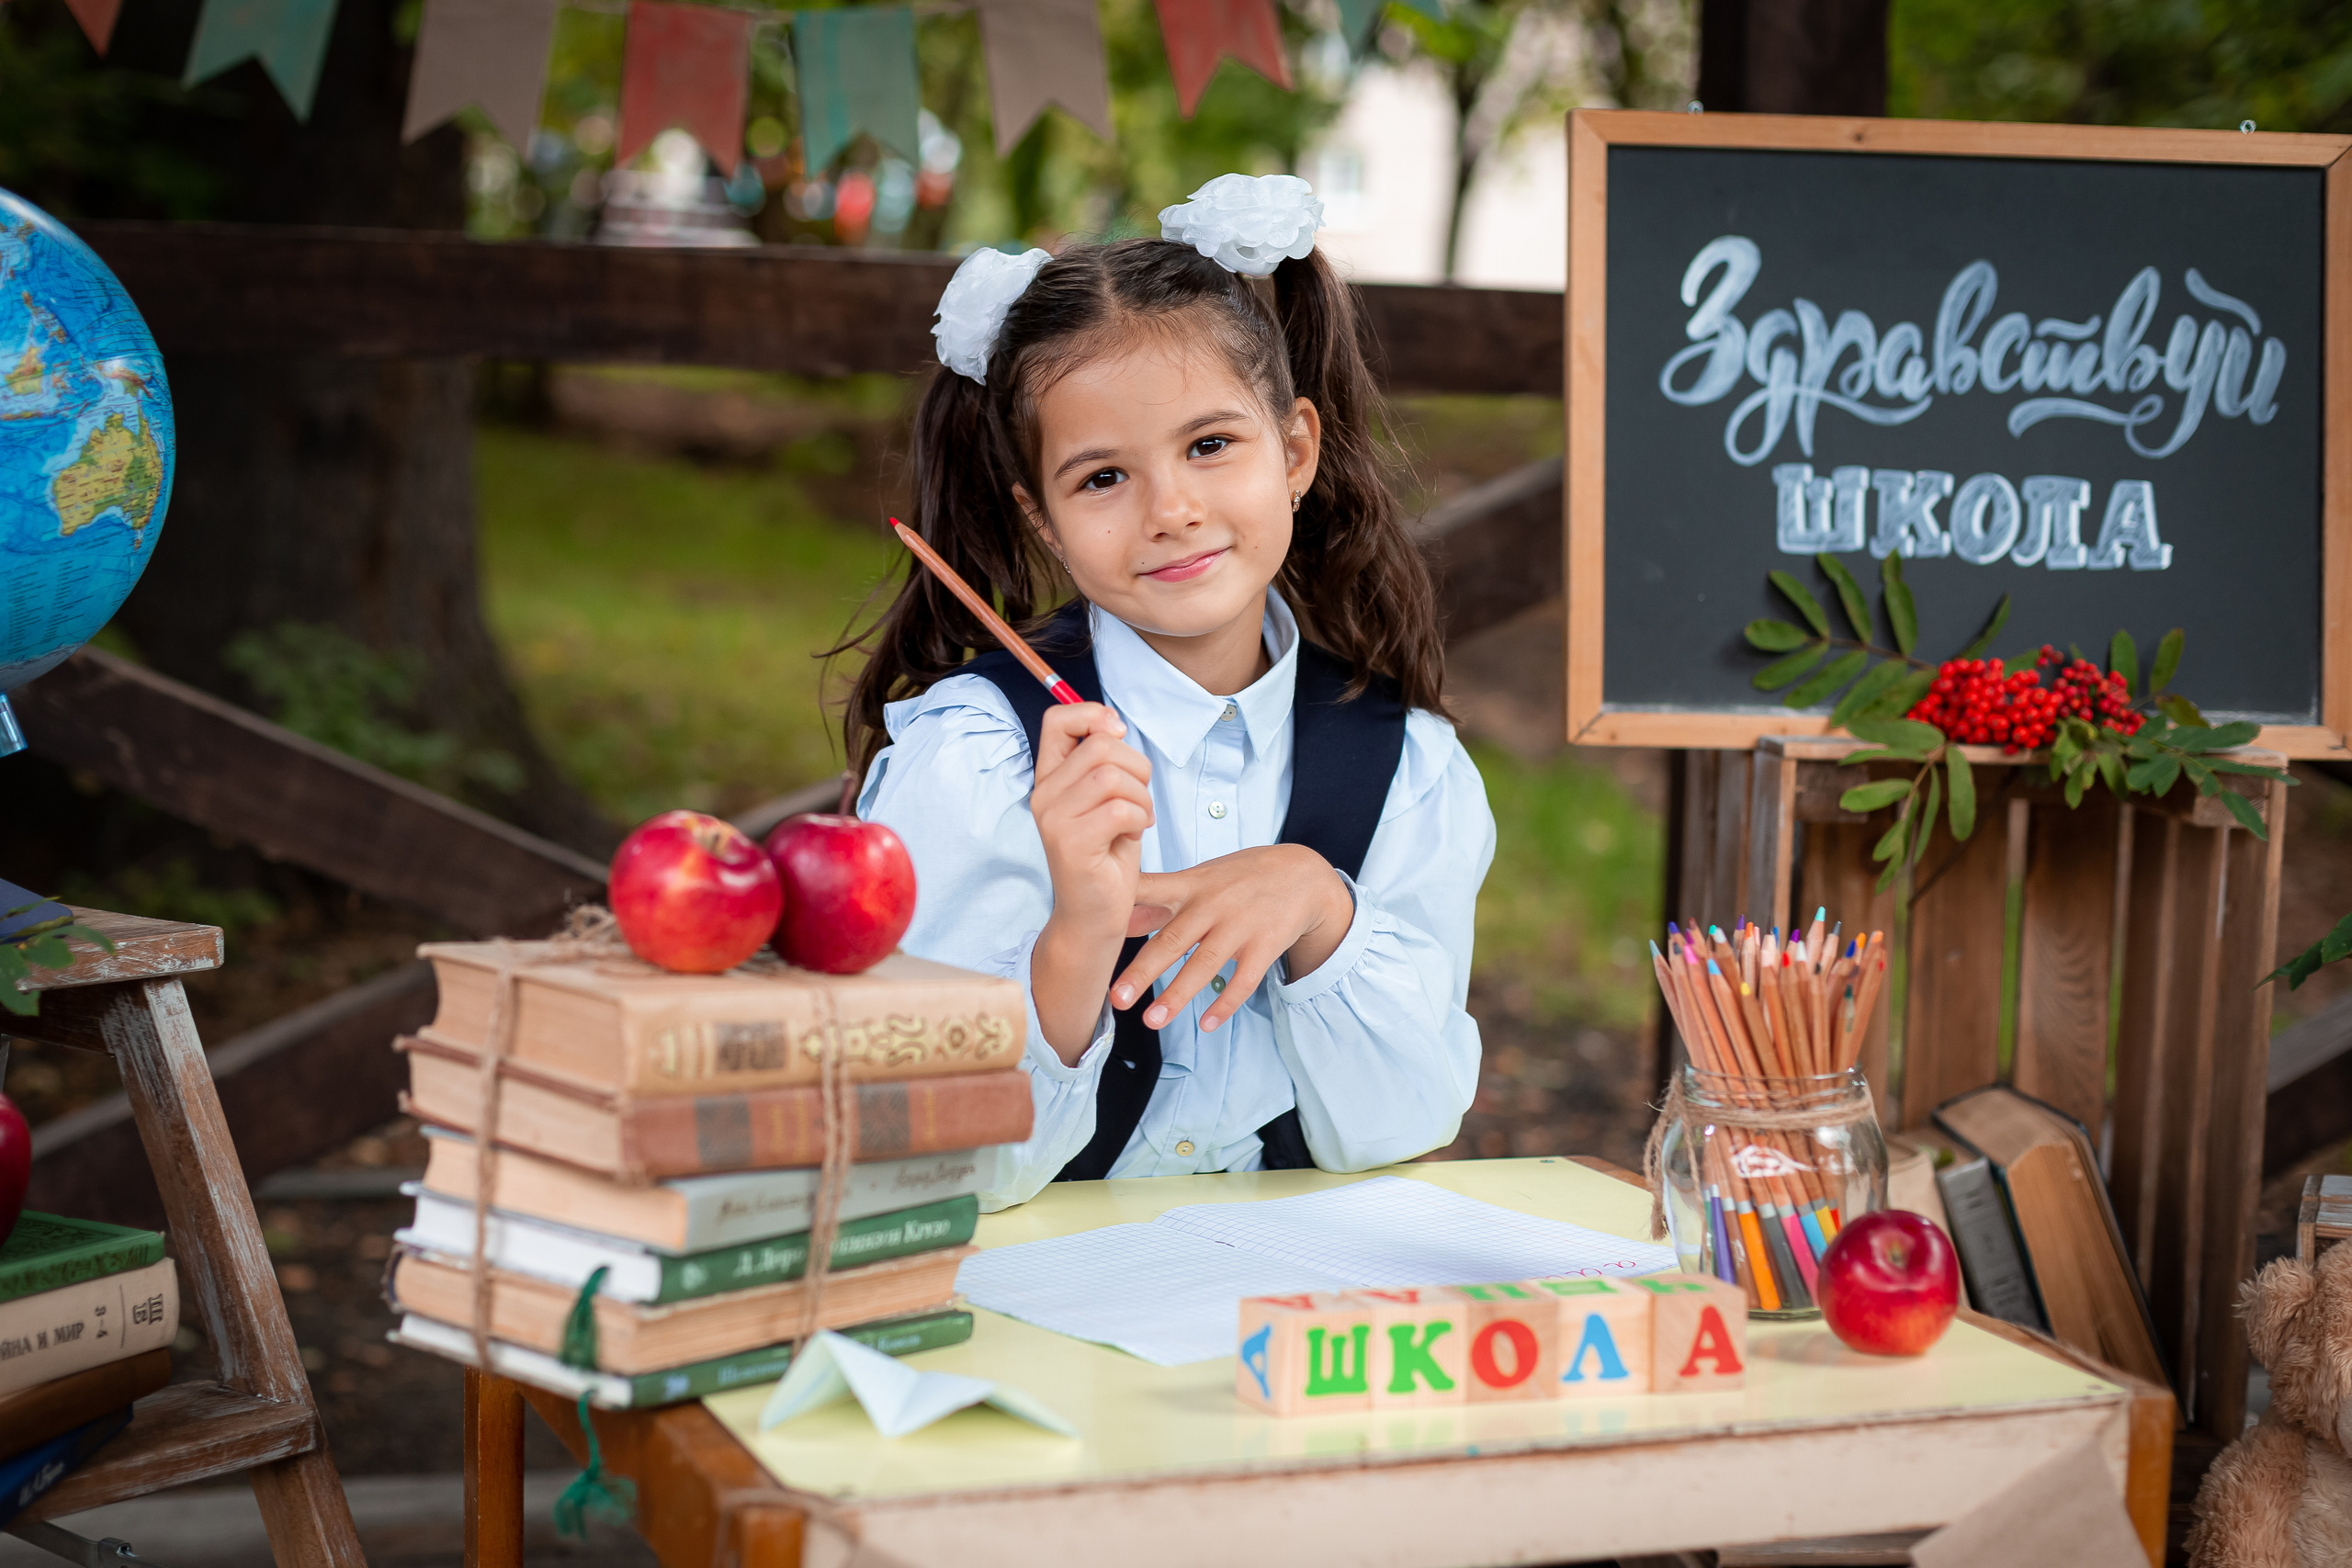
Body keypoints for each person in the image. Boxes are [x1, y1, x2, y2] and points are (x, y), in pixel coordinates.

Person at [842, 174, 1495, 1211]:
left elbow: (1406, 1123)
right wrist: (1076, 937)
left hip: (1294, 1290)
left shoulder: (1407, 766)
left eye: (1209, 445)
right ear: (1044, 519)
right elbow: (933, 1165)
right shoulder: (980, 759)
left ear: (1294, 450)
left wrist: (1322, 910)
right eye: (1103, 477)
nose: (1171, 509)